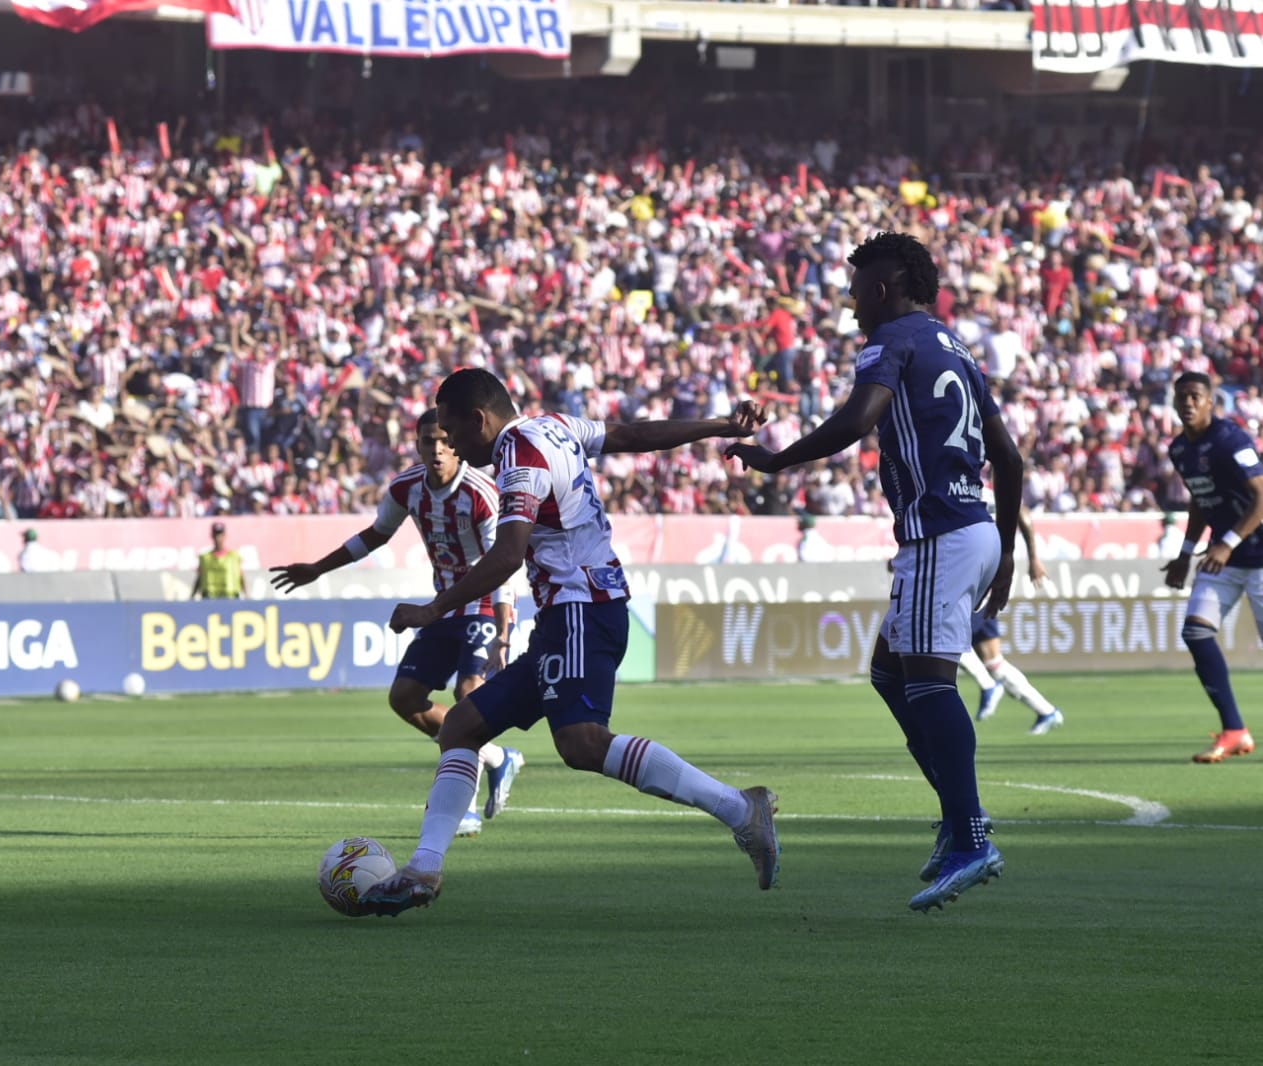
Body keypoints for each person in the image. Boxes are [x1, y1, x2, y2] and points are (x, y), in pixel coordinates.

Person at [359, 368, 780, 918]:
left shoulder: (519, 456)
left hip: (582, 606)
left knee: (582, 743)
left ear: (478, 420)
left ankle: (738, 809)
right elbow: (631, 435)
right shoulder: (555, 427)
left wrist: (433, 609)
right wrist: (720, 426)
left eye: (451, 431)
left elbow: (508, 554)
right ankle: (423, 869)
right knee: (462, 726)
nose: (451, 445)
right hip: (572, 612)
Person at [727, 231, 1024, 912]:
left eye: (856, 287)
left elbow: (859, 419)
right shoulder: (952, 346)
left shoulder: (890, 341)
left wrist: (776, 460)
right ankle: (956, 821)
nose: (851, 300)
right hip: (973, 529)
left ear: (881, 290)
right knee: (889, 671)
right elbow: (1009, 459)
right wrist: (1004, 552)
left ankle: (971, 834)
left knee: (925, 681)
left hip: (938, 534)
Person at [270, 409, 524, 837]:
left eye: (445, 440)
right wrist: (317, 568)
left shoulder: (481, 492)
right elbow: (374, 535)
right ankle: (498, 758)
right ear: (418, 445)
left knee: (468, 694)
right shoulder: (407, 488)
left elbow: (502, 564)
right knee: (404, 698)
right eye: (429, 441)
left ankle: (459, 803)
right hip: (442, 607)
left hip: (481, 603)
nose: (438, 449)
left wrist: (503, 633)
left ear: (457, 443)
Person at [1160, 372, 1261, 764]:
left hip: (1255, 554)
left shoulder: (1230, 439)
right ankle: (1234, 730)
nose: (1187, 402)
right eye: (1181, 396)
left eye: (1195, 396)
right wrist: (1186, 553)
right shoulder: (1179, 449)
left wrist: (1226, 543)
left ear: (1210, 403)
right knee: (1196, 633)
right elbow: (1200, 499)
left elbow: (1261, 497)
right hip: (1225, 559)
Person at [958, 504, 1065, 735]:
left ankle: (987, 686)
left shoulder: (979, 491)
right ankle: (1046, 711)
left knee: (942, 634)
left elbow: (1021, 511)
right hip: (977, 575)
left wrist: (1034, 558)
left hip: (979, 579)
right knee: (994, 662)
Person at [192, 521, 243, 600]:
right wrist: (191, 597)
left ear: (225, 536)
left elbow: (241, 576)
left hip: (230, 598)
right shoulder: (205, 558)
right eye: (216, 535)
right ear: (212, 536)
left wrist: (247, 597)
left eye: (221, 535)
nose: (218, 538)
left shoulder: (234, 556)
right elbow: (200, 578)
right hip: (209, 598)